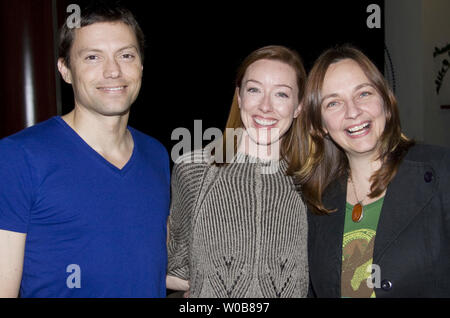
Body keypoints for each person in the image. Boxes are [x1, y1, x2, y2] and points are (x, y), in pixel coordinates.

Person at [0, 3, 170, 297]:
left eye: (126, 55)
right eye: (93, 57)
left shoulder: (156, 155)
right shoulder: (18, 157)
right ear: (65, 70)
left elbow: (147, 264)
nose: (113, 70)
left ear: (141, 65)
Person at [291, 45, 450, 297]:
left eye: (363, 94)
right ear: (319, 125)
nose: (353, 111)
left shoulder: (442, 172)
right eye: (333, 103)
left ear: (385, 102)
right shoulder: (316, 204)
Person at [166, 45, 309, 298]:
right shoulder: (193, 169)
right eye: (254, 90)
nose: (265, 106)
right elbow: (173, 270)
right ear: (240, 97)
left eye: (282, 95)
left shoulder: (312, 178)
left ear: (299, 106)